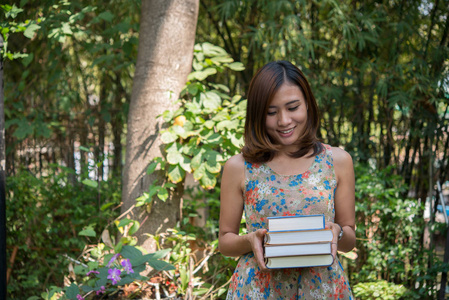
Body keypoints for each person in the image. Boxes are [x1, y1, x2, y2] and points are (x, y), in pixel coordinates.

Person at [218, 60, 356, 299]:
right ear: (258, 114)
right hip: (258, 290)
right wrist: (251, 240)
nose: (283, 121)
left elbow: (350, 238)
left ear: (308, 105)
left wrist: (337, 233)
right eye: (271, 112)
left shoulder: (338, 161)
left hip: (321, 289)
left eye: (293, 107)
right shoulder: (238, 167)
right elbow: (225, 242)